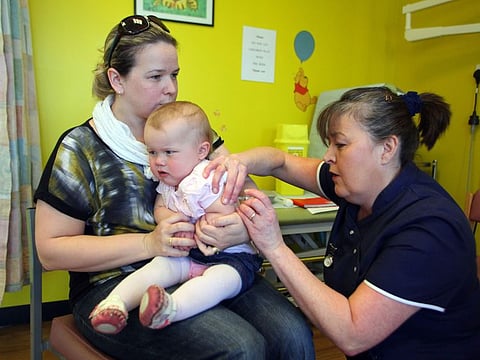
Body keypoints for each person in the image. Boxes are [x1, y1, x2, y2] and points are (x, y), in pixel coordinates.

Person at [33, 14, 314, 359]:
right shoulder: (80, 148)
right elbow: (51, 251)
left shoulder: (189, 131)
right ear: (116, 79)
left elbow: (245, 195)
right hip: (113, 283)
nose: (171, 88)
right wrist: (149, 242)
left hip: (207, 263)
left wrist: (238, 228)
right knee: (240, 347)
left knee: (293, 335)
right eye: (155, 76)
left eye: (175, 75)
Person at [207, 86, 480, 359]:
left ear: (387, 148)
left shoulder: (430, 228)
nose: (328, 156)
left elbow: (352, 333)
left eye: (340, 144)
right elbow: (280, 162)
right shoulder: (358, 187)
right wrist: (235, 163)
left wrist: (273, 245)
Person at [89, 101, 263, 334]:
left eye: (169, 152)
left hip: (229, 258)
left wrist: (205, 223)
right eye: (152, 152)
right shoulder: (168, 180)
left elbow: (225, 208)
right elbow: (160, 207)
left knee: (220, 281)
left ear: (201, 151)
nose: (159, 160)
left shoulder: (206, 176)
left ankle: (171, 308)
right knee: (158, 267)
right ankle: (114, 303)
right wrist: (171, 220)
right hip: (187, 253)